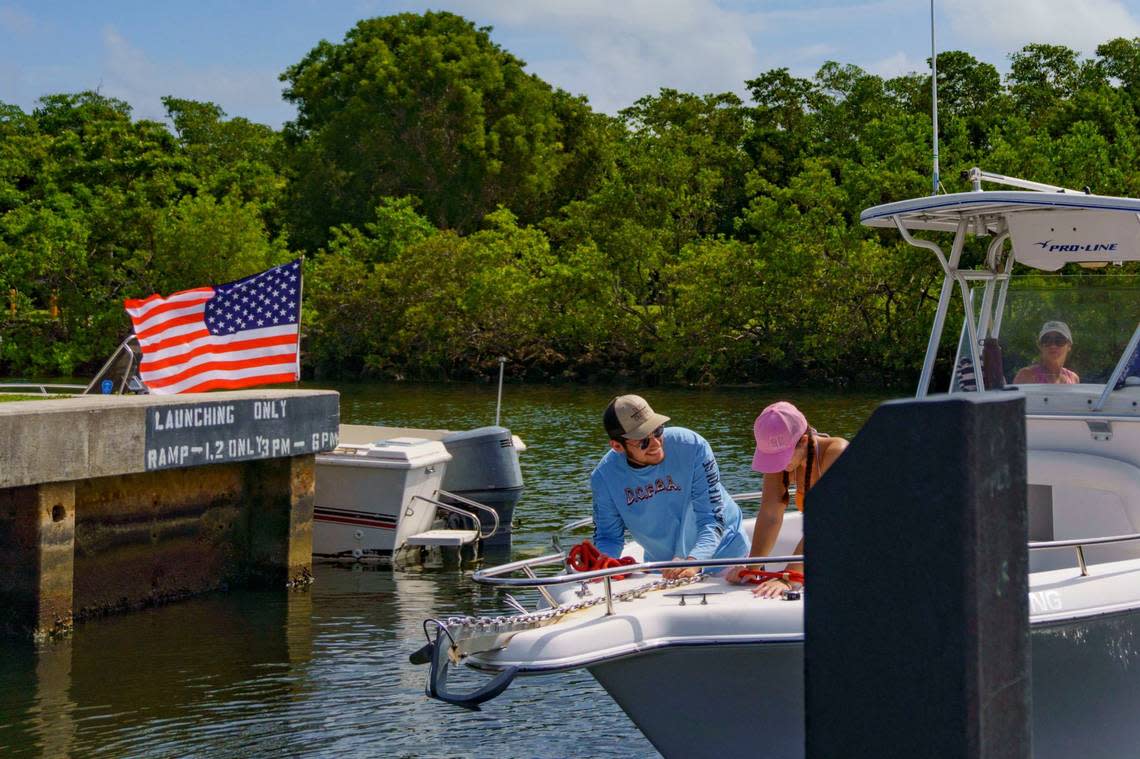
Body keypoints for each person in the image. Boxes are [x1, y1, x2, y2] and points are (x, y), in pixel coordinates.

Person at [591, 394, 747, 580]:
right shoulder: (604, 477)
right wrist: (603, 566)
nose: (656, 443)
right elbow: (609, 537)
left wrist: (693, 561)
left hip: (728, 561)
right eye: (643, 440)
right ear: (617, 446)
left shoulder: (693, 446)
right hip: (664, 570)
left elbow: (712, 518)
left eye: (657, 430)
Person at [726, 401, 848, 598]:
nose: (778, 465)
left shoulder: (838, 453)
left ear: (804, 441)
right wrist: (751, 568)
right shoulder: (781, 466)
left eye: (781, 457)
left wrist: (789, 576)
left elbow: (826, 523)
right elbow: (770, 515)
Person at [1013, 321, 1079, 385]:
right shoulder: (1026, 375)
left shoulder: (1073, 379)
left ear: (1069, 345)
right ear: (1040, 346)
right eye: (1046, 340)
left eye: (1059, 340)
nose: (1053, 346)